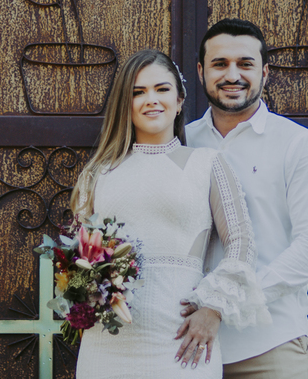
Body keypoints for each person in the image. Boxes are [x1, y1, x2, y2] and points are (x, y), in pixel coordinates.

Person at [71, 49, 270, 379]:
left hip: (184, 343)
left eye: (162, 89)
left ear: (179, 101)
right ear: (126, 104)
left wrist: (214, 308)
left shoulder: (207, 163)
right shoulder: (98, 174)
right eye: (138, 92)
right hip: (107, 345)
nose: (151, 100)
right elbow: (81, 255)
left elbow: (242, 241)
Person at [183, 19, 308, 379]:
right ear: (201, 71)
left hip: (270, 348)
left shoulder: (299, 145)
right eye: (220, 64)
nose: (232, 74)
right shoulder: (182, 143)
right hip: (183, 347)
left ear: (265, 72)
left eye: (245, 64)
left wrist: (221, 304)